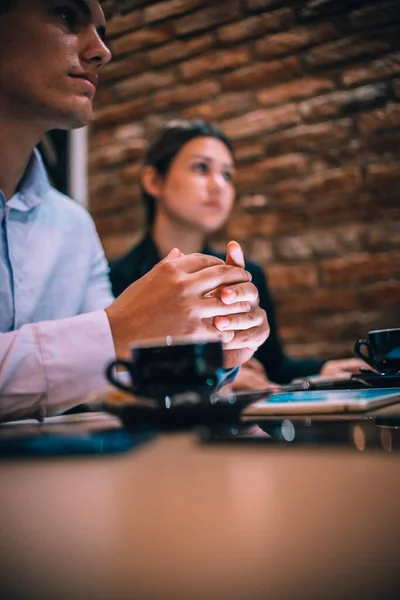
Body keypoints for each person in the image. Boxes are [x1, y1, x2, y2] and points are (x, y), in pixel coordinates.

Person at [0, 1, 269, 421]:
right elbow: (109, 349)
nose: (102, 50)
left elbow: (112, 382)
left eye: (229, 174)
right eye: (68, 16)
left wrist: (212, 361)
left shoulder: (73, 226)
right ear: (153, 181)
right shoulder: (118, 264)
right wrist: (115, 331)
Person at [109, 120, 365, 389]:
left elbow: (270, 367)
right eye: (201, 167)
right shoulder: (114, 279)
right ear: (153, 181)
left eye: (228, 175)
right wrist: (219, 379)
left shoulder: (243, 277)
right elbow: (105, 374)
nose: (218, 184)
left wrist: (322, 369)